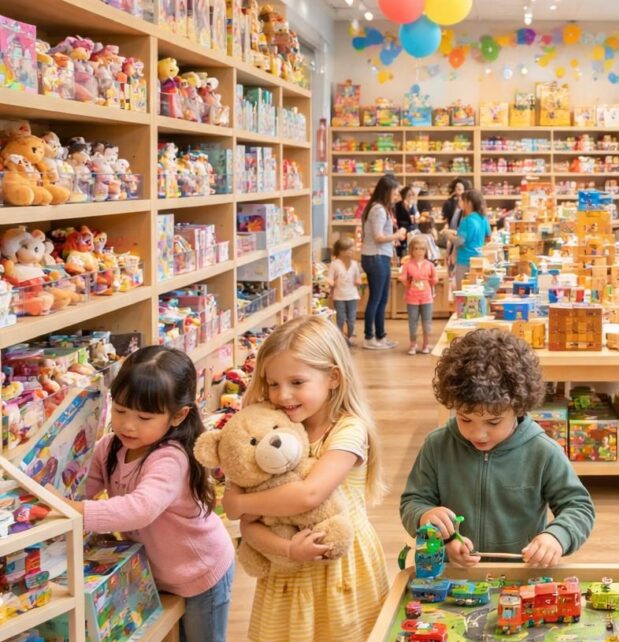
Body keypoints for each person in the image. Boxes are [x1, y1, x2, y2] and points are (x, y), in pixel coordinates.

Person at [221, 316, 389, 642]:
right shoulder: (270, 430)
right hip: (286, 568)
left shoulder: (348, 430)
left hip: (340, 567)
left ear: (333, 378)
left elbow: (309, 495)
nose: (283, 395)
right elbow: (249, 526)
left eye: (297, 382)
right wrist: (287, 549)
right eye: (273, 384)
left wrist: (239, 502)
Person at [57, 346, 235, 642]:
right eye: (121, 410)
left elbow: (141, 508)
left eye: (144, 417)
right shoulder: (110, 447)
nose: (128, 425)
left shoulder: (170, 457)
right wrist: (57, 497)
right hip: (155, 572)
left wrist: (78, 511)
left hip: (201, 573)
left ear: (178, 416)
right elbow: (84, 488)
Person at [400, 329, 596, 566]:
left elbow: (578, 506)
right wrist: (425, 518)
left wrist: (556, 537)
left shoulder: (542, 451)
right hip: (456, 575)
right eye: (465, 418)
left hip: (520, 576)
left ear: (519, 407)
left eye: (493, 422)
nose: (478, 433)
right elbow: (413, 502)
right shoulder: (438, 445)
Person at [360, 175, 407, 350]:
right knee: (376, 298)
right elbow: (379, 237)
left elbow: (378, 237)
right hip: (375, 257)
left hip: (380, 256)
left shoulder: (382, 208)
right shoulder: (378, 210)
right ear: (387, 190)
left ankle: (380, 336)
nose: (396, 193)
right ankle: (369, 337)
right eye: (394, 190)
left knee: (382, 298)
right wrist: (398, 234)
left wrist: (392, 239)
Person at [400, 234, 437, 355]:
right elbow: (403, 278)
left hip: (427, 297)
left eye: (422, 249)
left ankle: (426, 344)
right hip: (412, 297)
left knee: (427, 322)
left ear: (426, 250)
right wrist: (406, 281)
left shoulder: (430, 265)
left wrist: (432, 281)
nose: (419, 251)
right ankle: (413, 344)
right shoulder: (407, 265)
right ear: (411, 250)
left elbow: (435, 278)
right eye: (416, 249)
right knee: (413, 322)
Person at [445, 189, 489, 289]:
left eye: (462, 201)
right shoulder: (483, 218)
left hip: (465, 261)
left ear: (469, 203)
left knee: (462, 294)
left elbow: (459, 241)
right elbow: (487, 236)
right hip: (479, 259)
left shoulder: (467, 220)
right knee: (476, 293)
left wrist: (448, 234)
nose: (460, 203)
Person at [328, 237, 363, 347]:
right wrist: (330, 283)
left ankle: (350, 336)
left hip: (352, 296)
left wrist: (358, 281)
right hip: (339, 296)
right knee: (340, 318)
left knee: (352, 318)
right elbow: (329, 278)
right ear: (341, 252)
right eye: (349, 250)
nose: (352, 252)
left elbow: (358, 278)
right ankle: (339, 338)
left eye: (352, 250)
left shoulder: (354, 264)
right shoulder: (334, 264)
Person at [393, 184, 420, 258]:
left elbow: (417, 219)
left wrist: (416, 219)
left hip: (413, 232)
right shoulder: (397, 206)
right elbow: (395, 221)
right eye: (409, 195)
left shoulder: (413, 205)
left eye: (412, 195)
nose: (411, 197)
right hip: (402, 232)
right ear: (404, 195)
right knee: (403, 254)